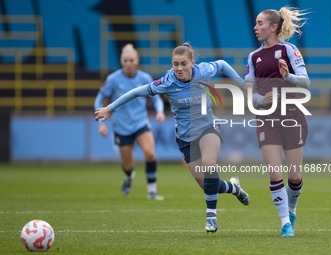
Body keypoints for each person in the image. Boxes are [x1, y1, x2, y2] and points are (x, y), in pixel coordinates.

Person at [95, 42, 250, 233]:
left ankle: (211, 217)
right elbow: (136, 92)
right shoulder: (167, 82)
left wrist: (242, 85)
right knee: (209, 185)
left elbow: (223, 64)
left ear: (192, 63)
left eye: (183, 63)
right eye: (175, 64)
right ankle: (234, 188)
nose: (179, 68)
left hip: (209, 127)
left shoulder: (204, 71)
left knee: (210, 164)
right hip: (185, 138)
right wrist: (109, 108)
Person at [245, 7, 310, 237]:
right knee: (275, 172)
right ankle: (285, 223)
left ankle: (291, 210)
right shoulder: (253, 57)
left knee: (294, 176)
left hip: (292, 116)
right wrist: (260, 99)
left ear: (273, 27)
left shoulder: (290, 50)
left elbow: (306, 83)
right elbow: (248, 93)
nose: (255, 27)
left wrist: (287, 77)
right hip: (265, 117)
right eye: (255, 23)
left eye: (260, 23)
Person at [94, 44, 166, 200]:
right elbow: (100, 98)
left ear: (137, 61)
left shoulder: (145, 78)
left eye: (131, 60)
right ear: (121, 61)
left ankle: (152, 192)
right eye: (125, 60)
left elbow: (157, 98)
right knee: (128, 166)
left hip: (141, 124)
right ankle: (128, 176)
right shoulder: (113, 79)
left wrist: (159, 111)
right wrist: (101, 123)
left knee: (150, 153)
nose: (128, 63)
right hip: (121, 126)